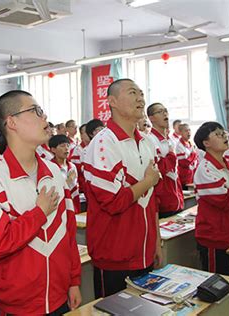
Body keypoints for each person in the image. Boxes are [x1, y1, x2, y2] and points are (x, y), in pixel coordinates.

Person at [0, 90, 82, 315]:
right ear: (11, 122)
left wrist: (73, 280)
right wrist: (39, 212)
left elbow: (68, 231)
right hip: (17, 305)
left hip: (59, 295)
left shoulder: (53, 171)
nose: (44, 117)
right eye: (35, 111)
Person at [83, 79, 161, 298]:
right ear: (112, 101)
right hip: (114, 255)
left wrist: (156, 242)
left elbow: (153, 200)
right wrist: (148, 181)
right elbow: (113, 201)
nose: (140, 98)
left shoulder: (146, 142)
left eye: (142, 93)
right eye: (132, 92)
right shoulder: (103, 143)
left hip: (143, 250)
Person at [193, 122, 229, 275]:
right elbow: (226, 201)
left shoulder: (227, 165)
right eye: (217, 134)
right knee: (218, 286)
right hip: (215, 238)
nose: (223, 136)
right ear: (206, 143)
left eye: (223, 133)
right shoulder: (206, 169)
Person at [147, 103, 184, 217]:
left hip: (176, 199)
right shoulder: (150, 140)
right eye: (160, 111)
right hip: (163, 202)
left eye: (166, 111)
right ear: (151, 118)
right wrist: (171, 155)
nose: (165, 113)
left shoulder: (170, 141)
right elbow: (159, 169)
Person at [49, 134, 81, 213]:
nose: (66, 148)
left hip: (74, 205)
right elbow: (53, 192)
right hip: (59, 208)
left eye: (68, 145)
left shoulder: (72, 166)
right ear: (53, 149)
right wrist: (68, 181)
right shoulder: (50, 167)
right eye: (62, 146)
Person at [175, 123, 198, 188]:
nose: (188, 132)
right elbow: (184, 162)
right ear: (180, 133)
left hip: (192, 175)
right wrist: (193, 154)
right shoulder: (179, 146)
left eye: (189, 130)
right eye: (186, 131)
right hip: (184, 177)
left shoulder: (191, 144)